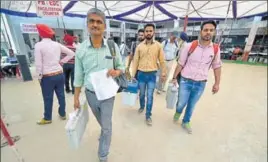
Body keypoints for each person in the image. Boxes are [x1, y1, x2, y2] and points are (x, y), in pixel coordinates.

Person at [73, 8, 124, 162]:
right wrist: (75, 98)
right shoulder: (81, 49)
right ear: (87, 24)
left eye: (99, 22)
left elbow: (122, 67)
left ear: (104, 26)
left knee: (107, 127)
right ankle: (104, 133)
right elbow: (78, 76)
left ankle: (103, 155)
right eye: (92, 21)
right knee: (102, 122)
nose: (95, 25)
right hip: (90, 94)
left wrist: (116, 72)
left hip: (108, 94)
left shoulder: (112, 46)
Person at [172, 20, 222, 134]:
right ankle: (178, 112)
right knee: (181, 103)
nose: (208, 32)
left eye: (211, 30)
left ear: (214, 32)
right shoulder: (190, 46)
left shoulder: (215, 49)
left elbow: (217, 66)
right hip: (185, 81)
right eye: (205, 30)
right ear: (201, 31)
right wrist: (174, 78)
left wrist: (217, 83)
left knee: (192, 104)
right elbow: (180, 63)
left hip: (201, 83)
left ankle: (186, 121)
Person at [34, 24, 75, 125]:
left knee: (48, 97)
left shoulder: (38, 45)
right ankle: (62, 114)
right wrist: (61, 62)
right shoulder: (57, 44)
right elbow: (72, 53)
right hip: (59, 74)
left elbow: (38, 64)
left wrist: (39, 77)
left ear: (40, 34)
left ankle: (47, 118)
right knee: (61, 95)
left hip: (47, 76)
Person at [132, 23, 167, 126]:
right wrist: (133, 76)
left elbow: (162, 61)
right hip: (141, 74)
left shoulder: (158, 46)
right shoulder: (139, 47)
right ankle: (142, 106)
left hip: (152, 75)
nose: (148, 33)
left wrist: (164, 73)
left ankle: (148, 115)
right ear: (144, 32)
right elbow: (135, 62)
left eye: (150, 31)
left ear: (153, 32)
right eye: (146, 31)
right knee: (142, 94)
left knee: (150, 96)